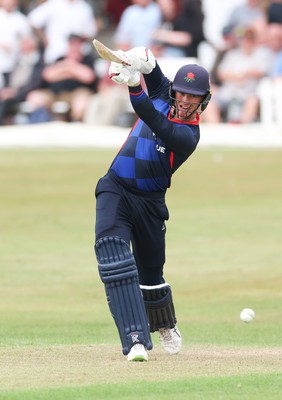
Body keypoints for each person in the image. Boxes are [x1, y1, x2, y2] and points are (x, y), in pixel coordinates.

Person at [94, 47, 211, 361]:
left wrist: (133, 86)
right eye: (182, 93)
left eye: (193, 96)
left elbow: (151, 118)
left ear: (204, 100)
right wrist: (142, 61)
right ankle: (134, 339)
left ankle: (165, 324)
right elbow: (154, 74)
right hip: (115, 188)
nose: (185, 100)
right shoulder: (163, 92)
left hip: (149, 202)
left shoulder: (188, 135)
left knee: (150, 276)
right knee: (113, 254)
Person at [28, 0, 97, 65]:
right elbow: (33, 20)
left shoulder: (84, 8)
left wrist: (76, 41)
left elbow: (90, 32)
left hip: (79, 59)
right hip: (55, 54)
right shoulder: (53, 3)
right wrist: (45, 39)